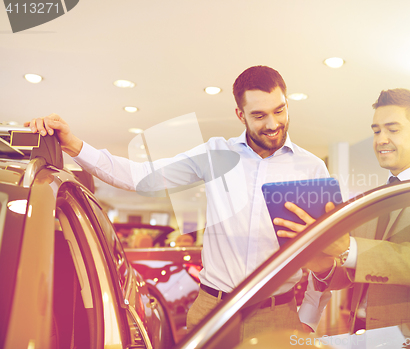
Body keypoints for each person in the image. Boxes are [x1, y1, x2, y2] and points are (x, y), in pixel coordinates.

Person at [26, 65, 332, 339]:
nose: (273, 123)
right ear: (240, 115)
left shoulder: (312, 169)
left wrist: (308, 318)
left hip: (276, 316)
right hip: (212, 311)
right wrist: (75, 146)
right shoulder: (216, 155)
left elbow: (327, 252)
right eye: (259, 115)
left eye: (280, 110)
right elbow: (140, 176)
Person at [273, 88, 410, 332]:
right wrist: (318, 261)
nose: (380, 139)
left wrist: (348, 247)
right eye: (376, 131)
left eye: (393, 129)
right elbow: (351, 275)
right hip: (361, 335)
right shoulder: (374, 199)